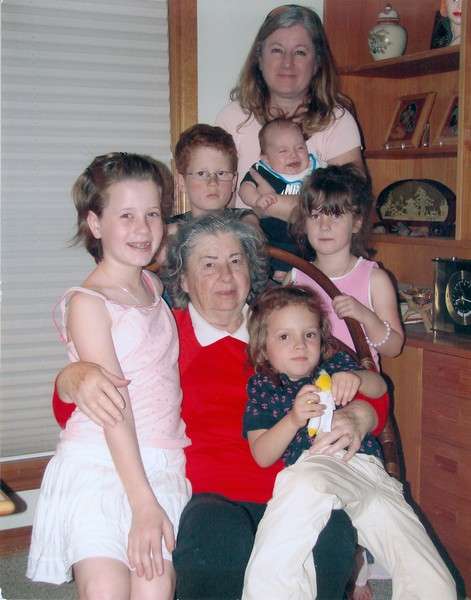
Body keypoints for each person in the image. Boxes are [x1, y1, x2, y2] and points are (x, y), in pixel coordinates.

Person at [52, 213, 390, 600]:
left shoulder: (284, 329)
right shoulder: (163, 332)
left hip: (296, 488)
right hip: (206, 498)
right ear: (183, 279)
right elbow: (76, 411)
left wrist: (361, 415)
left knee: (331, 535)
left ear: (252, 270)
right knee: (217, 539)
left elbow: (368, 391)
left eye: (235, 261)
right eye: (208, 264)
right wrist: (71, 379)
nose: (225, 276)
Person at [27, 153, 192, 600]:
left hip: (160, 460)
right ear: (95, 224)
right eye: (126, 216)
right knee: (105, 589)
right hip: (99, 461)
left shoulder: (153, 286)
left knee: (155, 588)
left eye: (152, 214)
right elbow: (114, 411)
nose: (143, 228)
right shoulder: (88, 303)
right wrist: (143, 504)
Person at [241, 285, 456, 600]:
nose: (300, 344)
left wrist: (357, 378)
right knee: (298, 495)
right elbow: (262, 454)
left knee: (429, 575)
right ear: (263, 347)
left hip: (369, 473)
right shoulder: (264, 386)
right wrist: (293, 419)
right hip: (319, 466)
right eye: (284, 337)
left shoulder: (335, 365)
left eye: (310, 334)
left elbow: (379, 386)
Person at [216, 3, 364, 218]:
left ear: (316, 63)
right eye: (277, 50)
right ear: (259, 58)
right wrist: (250, 221)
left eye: (300, 52)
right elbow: (217, 205)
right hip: (244, 237)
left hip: (314, 240)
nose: (288, 62)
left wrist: (271, 204)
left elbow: (351, 206)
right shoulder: (232, 118)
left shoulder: (337, 121)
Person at [288, 163, 404, 370]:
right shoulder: (296, 277)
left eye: (335, 215)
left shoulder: (375, 279)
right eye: (315, 215)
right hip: (307, 384)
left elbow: (394, 348)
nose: (324, 226)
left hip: (359, 382)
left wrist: (366, 316)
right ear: (304, 222)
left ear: (357, 223)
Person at [156, 123, 259, 265]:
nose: (213, 182)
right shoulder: (170, 228)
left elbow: (254, 238)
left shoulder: (244, 218)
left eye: (221, 173)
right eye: (201, 173)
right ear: (182, 182)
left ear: (234, 182)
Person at [240, 118, 323, 280]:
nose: (293, 154)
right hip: (274, 236)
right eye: (283, 151)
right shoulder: (263, 171)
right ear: (266, 158)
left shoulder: (315, 170)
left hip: (307, 239)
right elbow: (245, 188)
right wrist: (256, 200)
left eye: (300, 147)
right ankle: (280, 272)